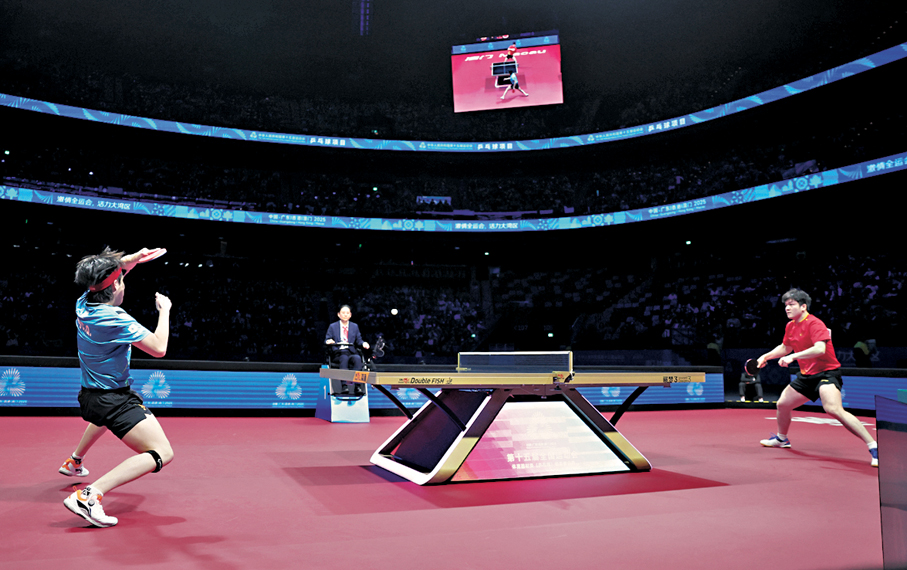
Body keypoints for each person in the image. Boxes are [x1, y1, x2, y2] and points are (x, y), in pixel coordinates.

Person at [59, 247, 175, 527]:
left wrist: (130, 261)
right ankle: (89, 496)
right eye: (121, 279)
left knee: (103, 419)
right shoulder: (116, 318)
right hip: (114, 399)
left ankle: (75, 460)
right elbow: (159, 348)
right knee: (162, 452)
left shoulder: (83, 303)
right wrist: (165, 311)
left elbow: (104, 276)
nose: (124, 282)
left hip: (90, 396)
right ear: (113, 287)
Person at [756, 289, 877, 467]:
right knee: (782, 404)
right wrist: (765, 357)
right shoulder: (790, 326)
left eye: (791, 305)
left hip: (826, 373)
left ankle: (874, 447)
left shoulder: (815, 323)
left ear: (803, 307)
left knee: (833, 409)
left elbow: (820, 349)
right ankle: (782, 439)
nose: (787, 308)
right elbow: (785, 347)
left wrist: (793, 357)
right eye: (786, 305)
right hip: (807, 375)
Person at [325, 305, 370, 395]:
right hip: (338, 352)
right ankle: (344, 385)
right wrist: (329, 341)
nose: (345, 315)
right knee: (344, 358)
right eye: (343, 313)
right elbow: (327, 339)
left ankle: (358, 386)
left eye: (347, 313)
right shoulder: (333, 326)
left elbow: (359, 340)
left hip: (351, 351)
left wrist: (364, 343)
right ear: (339, 314)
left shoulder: (354, 326)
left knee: (357, 359)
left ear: (350, 315)